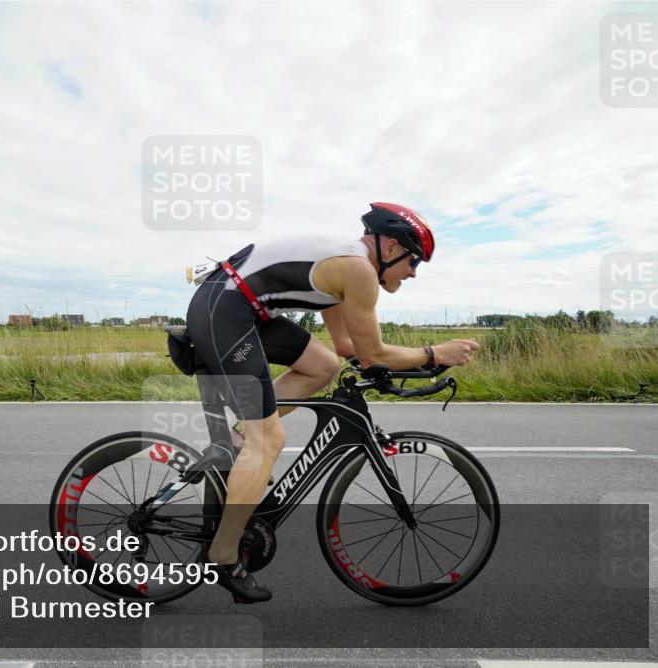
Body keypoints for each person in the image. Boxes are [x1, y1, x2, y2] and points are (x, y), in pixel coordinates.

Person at [185, 202, 480, 603]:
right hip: (227, 308)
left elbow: (347, 347)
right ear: (391, 247)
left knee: (322, 364)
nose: (413, 273)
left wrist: (405, 366)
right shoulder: (358, 271)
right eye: (414, 262)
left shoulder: (349, 264)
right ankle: (221, 555)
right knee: (269, 440)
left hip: (239, 305)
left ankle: (239, 441)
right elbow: (373, 353)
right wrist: (434, 354)